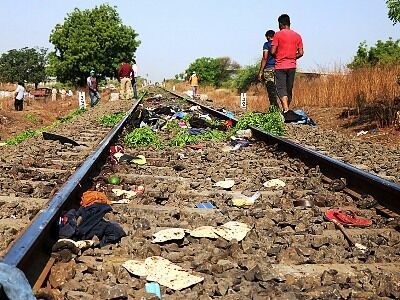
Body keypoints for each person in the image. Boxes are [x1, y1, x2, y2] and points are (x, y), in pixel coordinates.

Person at [271, 14, 304, 115]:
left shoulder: (278, 35)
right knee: (289, 89)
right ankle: (286, 110)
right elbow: (301, 53)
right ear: (289, 23)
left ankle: (285, 110)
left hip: (280, 66)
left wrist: (279, 56)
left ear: (280, 24)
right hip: (292, 66)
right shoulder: (297, 36)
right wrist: (293, 57)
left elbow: (273, 51)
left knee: (281, 88)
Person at [258, 30, 278, 108]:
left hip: (269, 69)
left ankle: (274, 107)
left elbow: (265, 57)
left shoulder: (266, 45)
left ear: (268, 36)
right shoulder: (278, 44)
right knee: (279, 89)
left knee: (271, 90)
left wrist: (261, 71)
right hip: (279, 68)